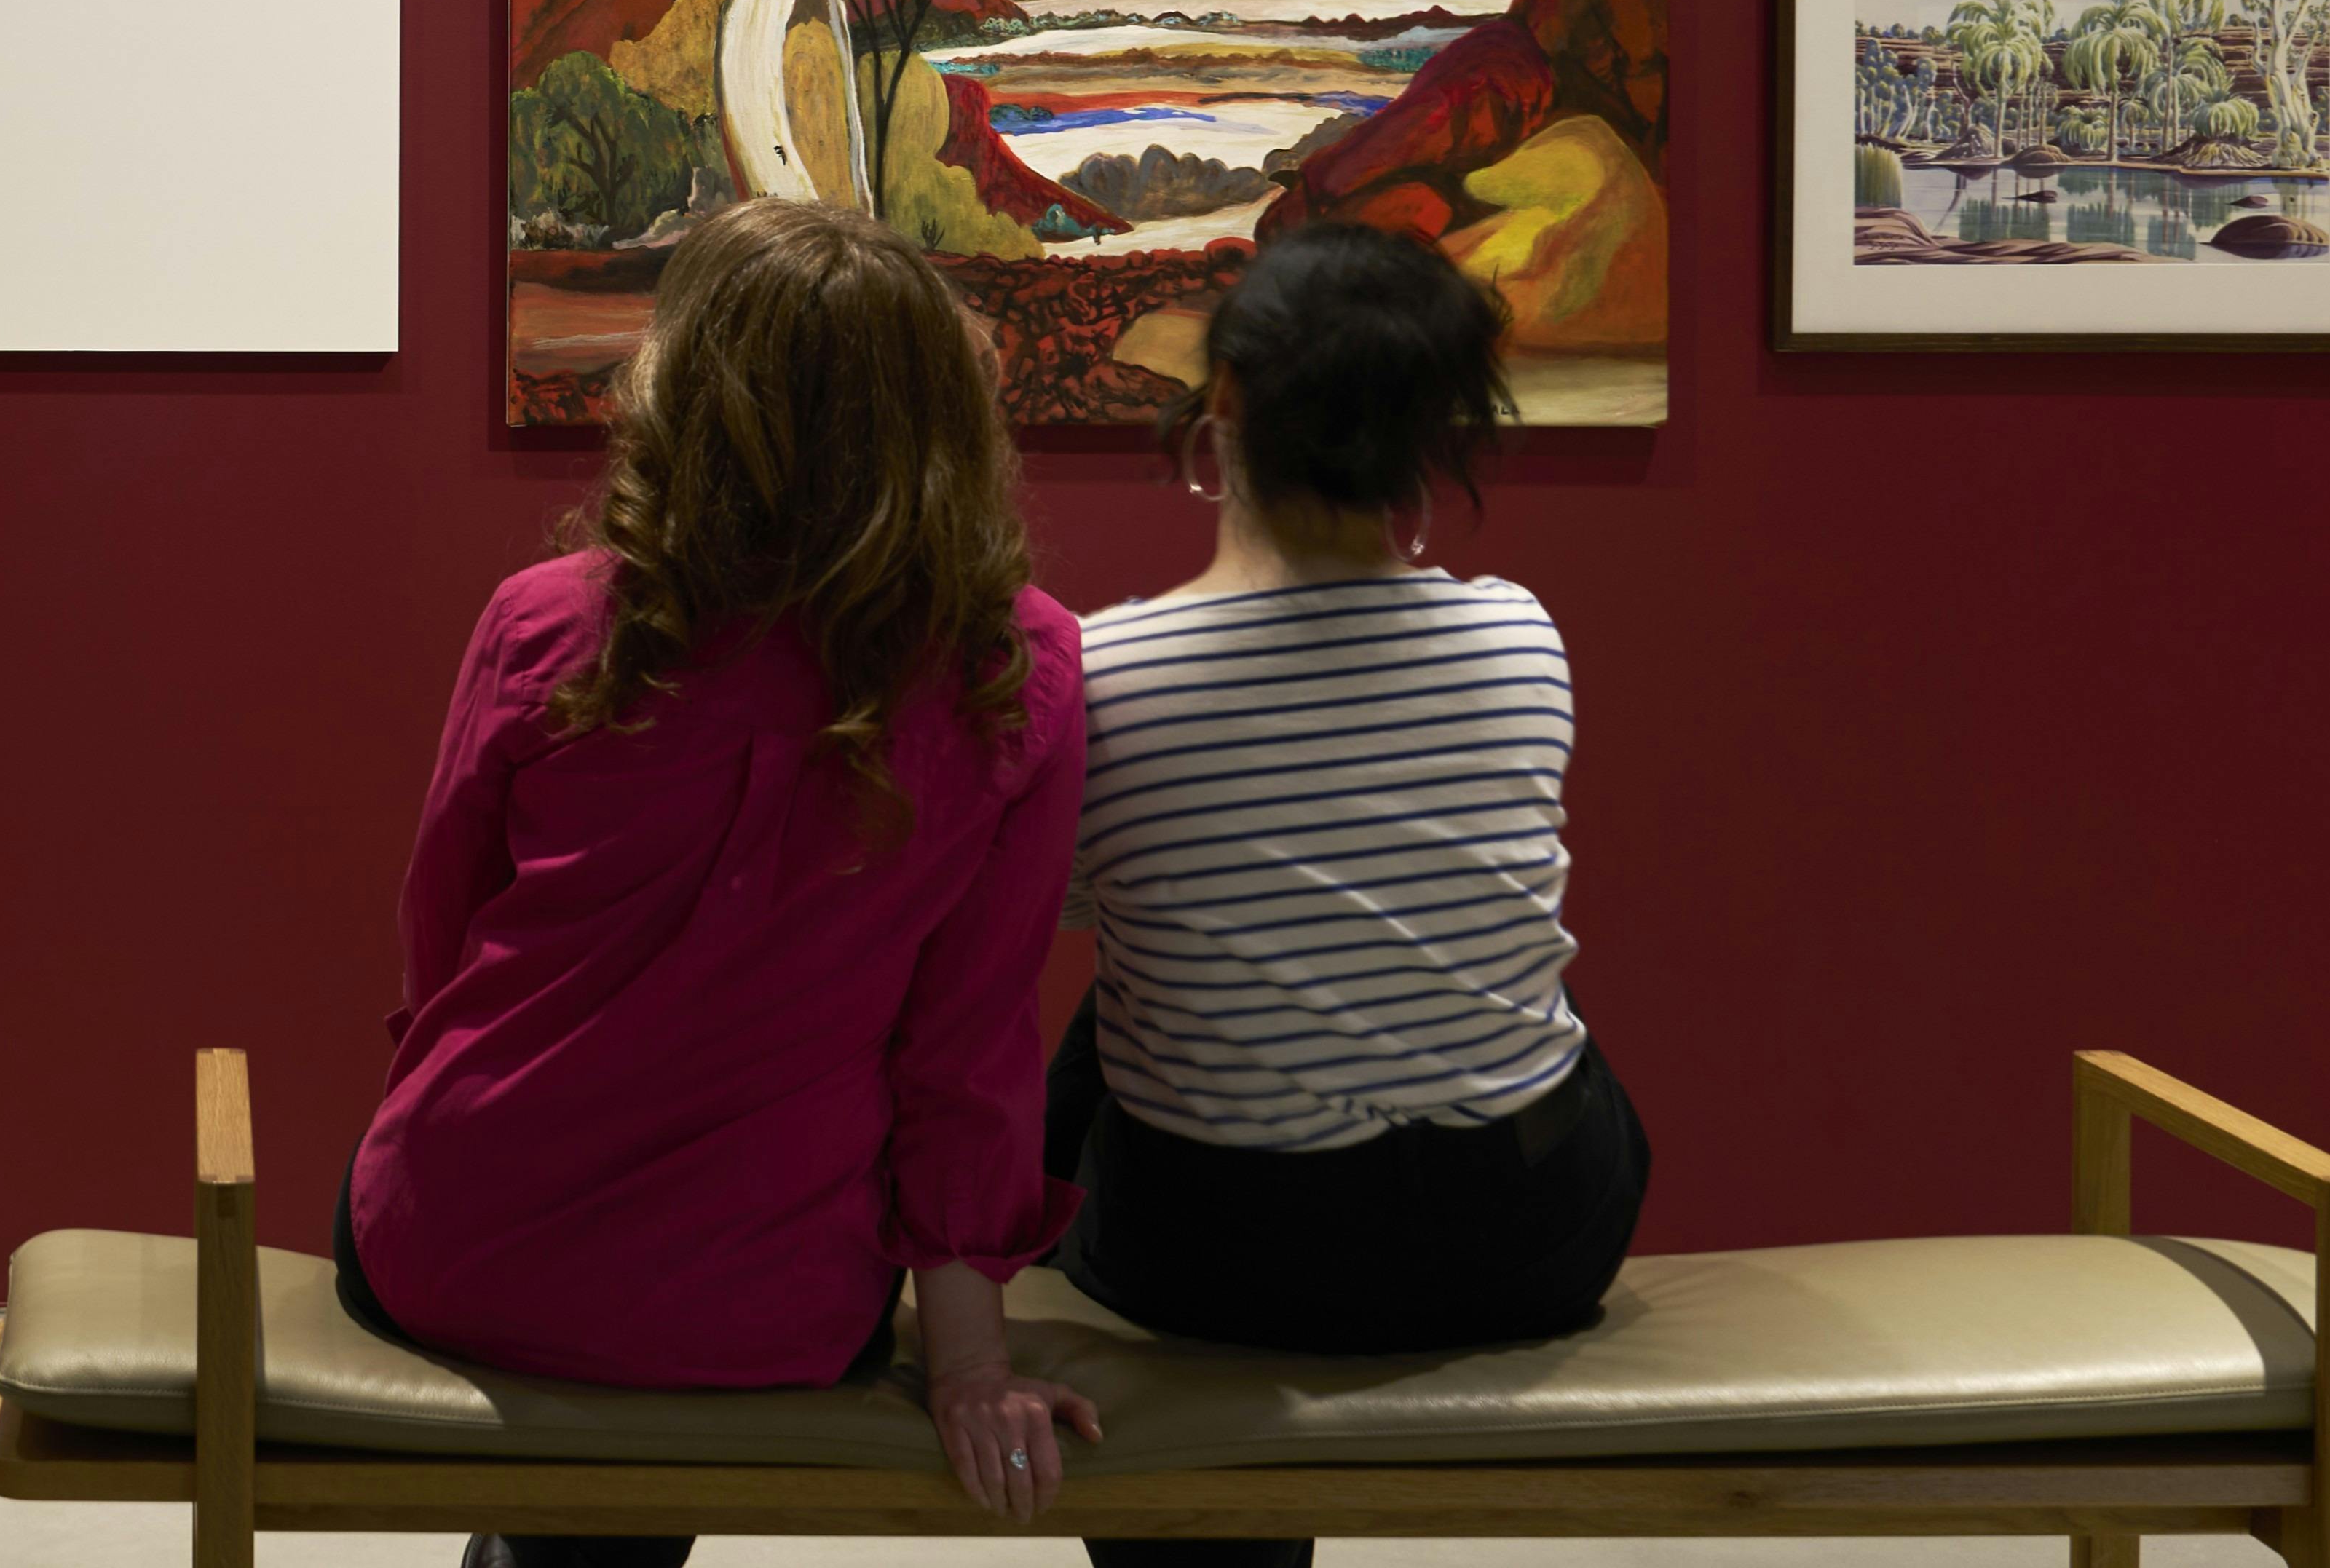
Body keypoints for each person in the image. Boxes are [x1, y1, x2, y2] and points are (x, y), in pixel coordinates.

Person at [343, 196, 1105, 1566]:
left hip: (457, 1241)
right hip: (773, 1301)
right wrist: (967, 1365)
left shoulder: (550, 621)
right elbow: (969, 1046)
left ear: (685, 387)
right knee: (656, 1362)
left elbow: (438, 938)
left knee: (582, 1454)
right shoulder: (1016, 670)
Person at [1050, 223, 1652, 1568]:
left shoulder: (1104, 676)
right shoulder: (1516, 635)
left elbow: (1072, 913)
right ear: (1429, 432)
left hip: (1224, 1260)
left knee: (1121, 1011)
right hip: (1533, 1230)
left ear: (1222, 407)